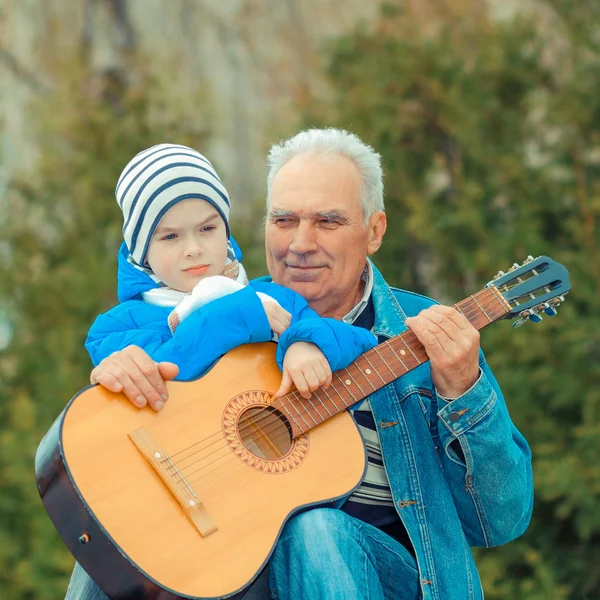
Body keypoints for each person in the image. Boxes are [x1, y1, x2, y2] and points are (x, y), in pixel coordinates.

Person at [67, 129, 533, 600]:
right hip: (239, 569)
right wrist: (127, 378)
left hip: (385, 580)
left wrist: (463, 390)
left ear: (374, 231)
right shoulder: (234, 312)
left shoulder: (429, 337)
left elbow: (500, 520)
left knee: (315, 530)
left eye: (328, 221)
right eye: (284, 219)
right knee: (114, 547)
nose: (301, 243)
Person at [85, 142, 377, 402]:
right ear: (142, 252)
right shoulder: (118, 326)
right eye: (170, 237)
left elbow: (358, 339)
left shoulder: (273, 298)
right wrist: (235, 314)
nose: (194, 249)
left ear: (226, 232)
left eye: (207, 229)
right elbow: (169, 374)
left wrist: (308, 343)